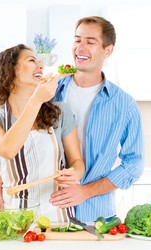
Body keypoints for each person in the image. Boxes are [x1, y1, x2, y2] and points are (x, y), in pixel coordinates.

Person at [0, 44, 85, 223]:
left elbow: (76, 161)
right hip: (15, 219)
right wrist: (36, 99)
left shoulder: (60, 112)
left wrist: (76, 174)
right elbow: (7, 150)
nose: (40, 66)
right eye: (32, 60)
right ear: (9, 71)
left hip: (58, 216)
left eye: (40, 62)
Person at [50, 16, 144, 222]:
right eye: (77, 40)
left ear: (108, 50)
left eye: (90, 42)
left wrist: (86, 191)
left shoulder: (124, 104)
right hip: (49, 211)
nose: (79, 47)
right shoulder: (50, 92)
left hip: (97, 216)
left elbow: (134, 164)